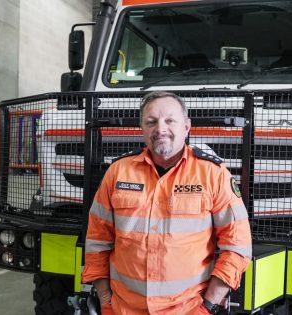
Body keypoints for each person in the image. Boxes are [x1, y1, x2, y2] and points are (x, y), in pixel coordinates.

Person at [82, 91, 252, 314]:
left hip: (189, 310)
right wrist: (105, 301)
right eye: (151, 122)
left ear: (187, 127)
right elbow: (97, 241)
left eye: (170, 120)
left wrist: (208, 306)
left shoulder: (213, 174)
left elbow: (237, 246)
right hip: (124, 309)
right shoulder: (118, 172)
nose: (160, 129)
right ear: (142, 128)